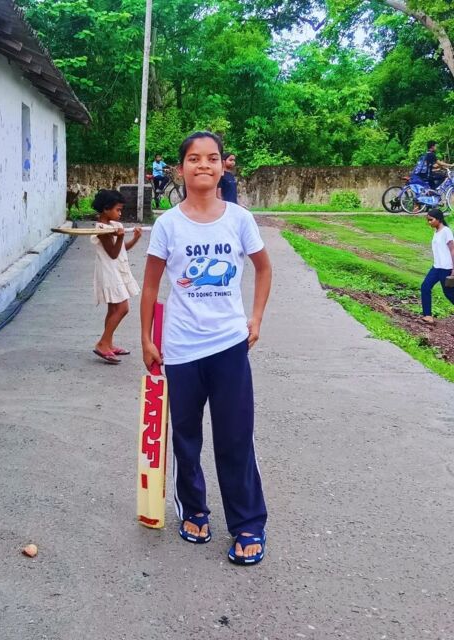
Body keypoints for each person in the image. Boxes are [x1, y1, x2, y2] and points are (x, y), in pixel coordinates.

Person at [140, 132, 272, 566]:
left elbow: (263, 268)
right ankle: (194, 510)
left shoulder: (239, 219)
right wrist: (146, 338)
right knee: (186, 437)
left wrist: (255, 318)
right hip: (180, 349)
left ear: (222, 166)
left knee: (235, 437)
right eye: (194, 159)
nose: (203, 165)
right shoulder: (168, 224)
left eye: (212, 158)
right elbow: (151, 285)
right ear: (180, 169)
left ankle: (248, 523)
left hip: (229, 346)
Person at [91, 189, 142, 363]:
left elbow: (121, 250)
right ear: (106, 209)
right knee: (122, 308)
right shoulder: (101, 229)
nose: (120, 213)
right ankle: (102, 343)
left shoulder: (113, 226)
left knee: (113, 309)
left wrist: (135, 238)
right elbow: (113, 253)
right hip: (109, 272)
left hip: (117, 270)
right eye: (117, 210)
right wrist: (119, 237)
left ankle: (108, 343)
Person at [420, 208, 454, 325]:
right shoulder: (436, 232)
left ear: (439, 219)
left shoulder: (446, 231)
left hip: (446, 268)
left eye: (431, 220)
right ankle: (428, 315)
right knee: (425, 287)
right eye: (428, 220)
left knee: (449, 293)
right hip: (436, 267)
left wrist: (453, 269)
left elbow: (452, 250)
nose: (429, 222)